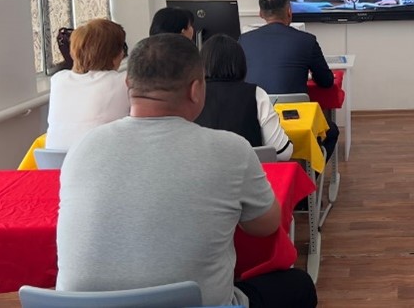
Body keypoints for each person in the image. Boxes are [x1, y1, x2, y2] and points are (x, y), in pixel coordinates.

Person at [56, 34, 317, 307]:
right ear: (195, 89)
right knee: (298, 286)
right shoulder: (230, 149)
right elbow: (266, 226)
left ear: (127, 84)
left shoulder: (83, 147)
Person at [240, 0, 339, 160]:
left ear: (261, 14)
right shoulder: (307, 40)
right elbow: (326, 81)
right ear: (289, 11)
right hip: (295, 117)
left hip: (255, 118)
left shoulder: (244, 40)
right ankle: (311, 173)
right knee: (332, 132)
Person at [195, 34, 293, 159]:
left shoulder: (191, 96)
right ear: (241, 63)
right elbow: (283, 152)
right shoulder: (256, 94)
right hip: (248, 169)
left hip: (199, 169)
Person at [45, 19, 129, 151]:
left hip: (54, 161)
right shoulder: (124, 82)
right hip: (99, 160)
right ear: (114, 54)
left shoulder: (58, 80)